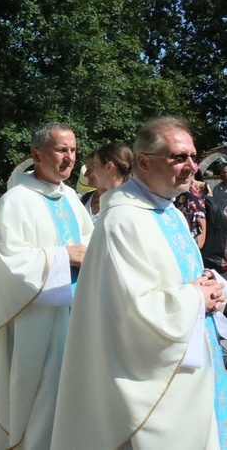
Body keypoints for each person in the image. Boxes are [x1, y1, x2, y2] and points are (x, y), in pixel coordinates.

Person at [52, 117, 227, 449]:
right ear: (143, 161)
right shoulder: (122, 221)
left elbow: (183, 279)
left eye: (192, 156)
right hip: (156, 382)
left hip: (195, 366)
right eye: (178, 157)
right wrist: (194, 298)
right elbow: (132, 312)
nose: (191, 166)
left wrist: (210, 287)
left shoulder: (171, 213)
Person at [0, 122, 93, 450]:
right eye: (61, 150)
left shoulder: (71, 198)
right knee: (38, 400)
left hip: (74, 317)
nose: (69, 158)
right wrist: (62, 256)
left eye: (72, 150)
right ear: (36, 154)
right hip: (34, 322)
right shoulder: (16, 201)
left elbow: (89, 244)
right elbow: (7, 264)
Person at [82, 141, 134, 224]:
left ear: (109, 167)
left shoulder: (126, 205)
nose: (92, 173)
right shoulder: (128, 199)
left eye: (94, 167)